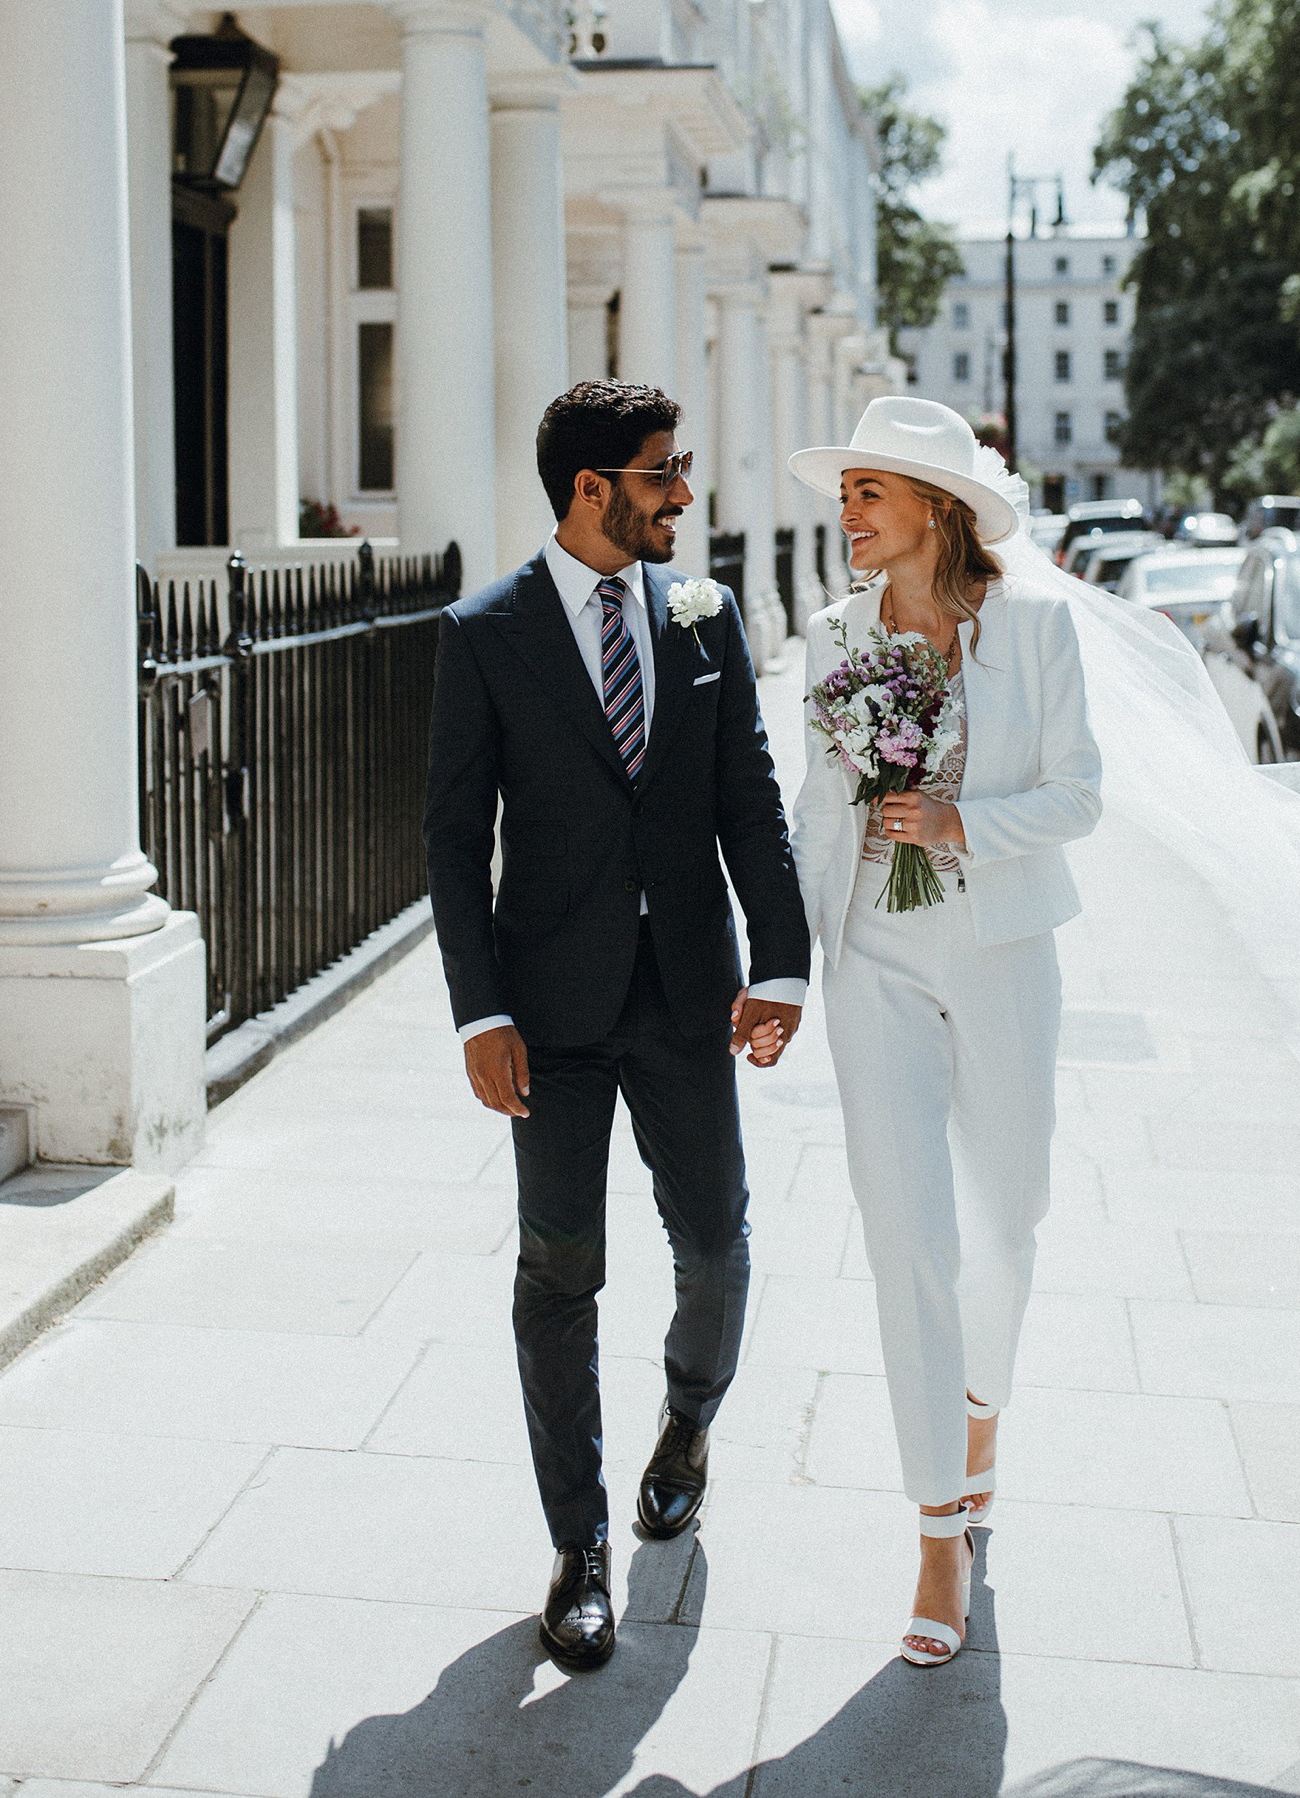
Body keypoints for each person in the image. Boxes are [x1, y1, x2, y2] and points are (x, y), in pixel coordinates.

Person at [424, 380, 811, 1673]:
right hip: (550, 1012)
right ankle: (579, 1548)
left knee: (714, 1241)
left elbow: (748, 795)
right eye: (664, 471)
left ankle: (687, 1420)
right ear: (593, 487)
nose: (684, 494)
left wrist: (785, 962)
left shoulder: (701, 617)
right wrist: (479, 1008)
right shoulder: (485, 632)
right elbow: (451, 838)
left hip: (686, 993)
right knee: (559, 1273)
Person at [785, 398, 1101, 1668]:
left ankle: (982, 1407)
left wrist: (962, 822)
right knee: (906, 1234)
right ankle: (932, 1529)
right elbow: (816, 806)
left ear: (934, 509)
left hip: (1005, 953)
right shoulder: (829, 637)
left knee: (1005, 1220)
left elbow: (1079, 794)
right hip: (876, 957)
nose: (848, 515)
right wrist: (780, 972)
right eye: (847, 491)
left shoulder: (1034, 627)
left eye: (869, 493)